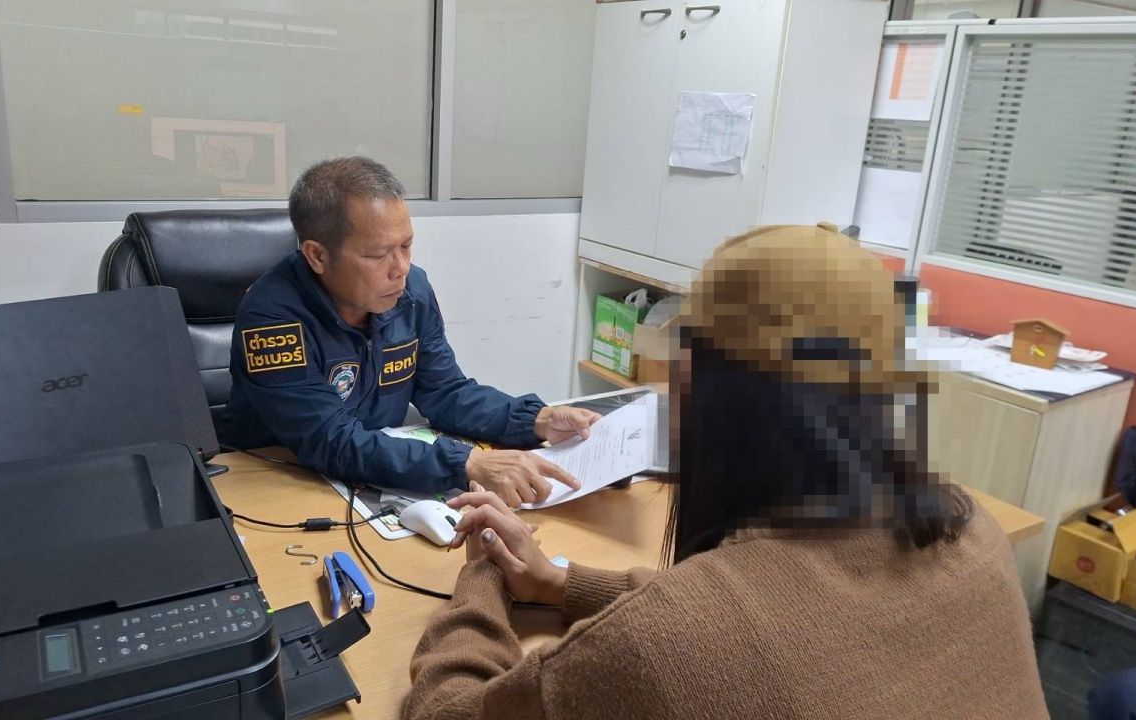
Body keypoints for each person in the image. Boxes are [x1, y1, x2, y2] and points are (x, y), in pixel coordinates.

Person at [405, 224, 1049, 719]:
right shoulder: (972, 532)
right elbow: (791, 612)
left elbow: (445, 714)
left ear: (703, 393)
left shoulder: (666, 645)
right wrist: (559, 583)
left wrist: (483, 576)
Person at [220, 157, 599, 505]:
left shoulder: (411, 292)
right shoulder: (272, 320)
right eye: (377, 255)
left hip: (374, 471)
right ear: (317, 256)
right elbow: (328, 439)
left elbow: (445, 391)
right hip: (279, 480)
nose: (400, 268)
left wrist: (535, 420)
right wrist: (465, 462)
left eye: (406, 246)